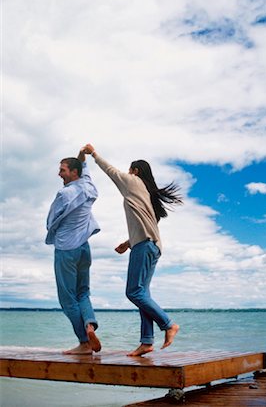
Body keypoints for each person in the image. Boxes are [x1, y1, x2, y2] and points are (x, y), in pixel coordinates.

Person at [83, 143, 183, 356]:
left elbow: (111, 171)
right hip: (150, 245)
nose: (127, 173)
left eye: (130, 169)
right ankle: (147, 342)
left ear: (135, 171)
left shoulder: (133, 182)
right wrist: (128, 243)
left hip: (145, 247)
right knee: (142, 293)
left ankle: (168, 324)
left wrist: (93, 154)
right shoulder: (146, 193)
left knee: (133, 292)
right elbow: (146, 224)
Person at [46, 148, 101, 355]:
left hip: (66, 249)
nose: (59, 174)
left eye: (63, 170)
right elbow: (83, 167)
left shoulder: (64, 193)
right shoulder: (89, 187)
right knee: (83, 292)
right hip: (84, 249)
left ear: (73, 173)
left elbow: (51, 220)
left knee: (68, 298)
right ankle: (89, 326)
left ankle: (84, 343)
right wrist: (82, 153)